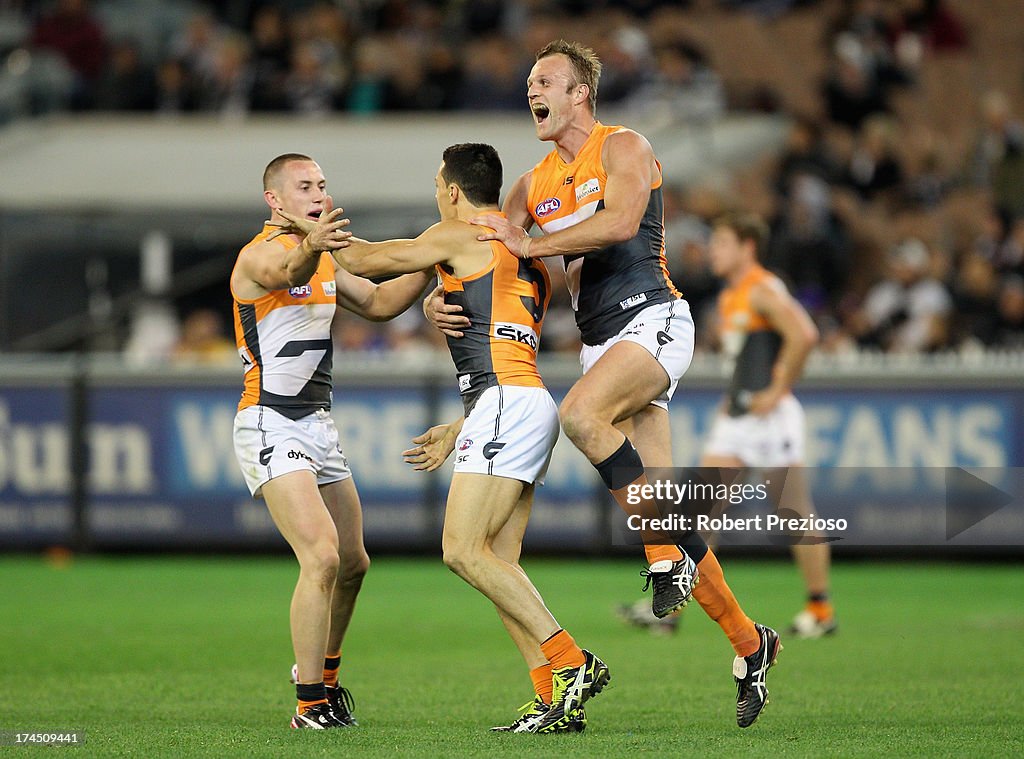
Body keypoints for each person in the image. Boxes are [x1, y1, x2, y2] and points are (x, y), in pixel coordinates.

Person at [428, 40, 779, 728]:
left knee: (582, 417)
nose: (534, 91)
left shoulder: (624, 147)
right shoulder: (530, 186)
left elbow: (620, 223)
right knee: (671, 516)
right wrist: (442, 301)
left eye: (546, 81)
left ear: (579, 93)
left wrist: (530, 243)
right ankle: (749, 641)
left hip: (653, 318)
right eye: (530, 83)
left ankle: (659, 564)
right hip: (599, 343)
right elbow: (497, 260)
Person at [279, 143, 609, 734]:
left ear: (453, 189)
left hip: (505, 402)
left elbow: (372, 261)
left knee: (461, 551)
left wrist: (309, 233)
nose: (437, 193)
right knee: (500, 561)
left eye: (438, 183)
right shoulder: (518, 250)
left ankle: (572, 661)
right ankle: (554, 698)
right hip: (520, 401)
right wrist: (439, 300)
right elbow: (494, 324)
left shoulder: (462, 232)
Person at [231, 153, 434, 729]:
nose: (318, 192)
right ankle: (308, 704)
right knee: (319, 555)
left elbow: (377, 303)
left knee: (353, 563)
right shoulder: (261, 255)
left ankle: (327, 678)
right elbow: (288, 273)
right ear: (275, 200)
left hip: (317, 424)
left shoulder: (321, 257)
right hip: (271, 420)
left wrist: (432, 257)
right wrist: (314, 246)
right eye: (303, 186)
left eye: (321, 183)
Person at [620, 212, 835, 639]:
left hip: (771, 418)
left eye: (721, 242)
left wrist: (777, 390)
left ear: (746, 247)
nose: (713, 250)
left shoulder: (762, 288)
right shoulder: (731, 295)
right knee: (698, 510)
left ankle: (820, 609)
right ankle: (674, 609)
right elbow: (751, 356)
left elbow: (804, 334)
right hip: (739, 418)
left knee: (793, 514)